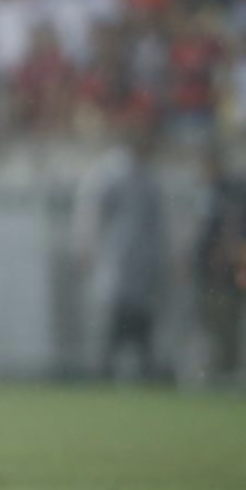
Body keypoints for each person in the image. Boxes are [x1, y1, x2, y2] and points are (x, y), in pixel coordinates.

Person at [73, 127, 170, 382]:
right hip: (114, 258)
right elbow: (90, 212)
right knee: (112, 318)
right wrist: (85, 246)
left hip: (143, 263)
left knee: (142, 320)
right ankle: (102, 372)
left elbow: (157, 222)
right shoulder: (110, 173)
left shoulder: (149, 177)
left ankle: (146, 372)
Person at [193, 146, 246, 387]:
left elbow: (230, 226)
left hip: (223, 271)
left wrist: (227, 253)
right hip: (207, 271)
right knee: (212, 321)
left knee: (225, 320)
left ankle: (227, 372)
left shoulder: (228, 191)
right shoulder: (209, 191)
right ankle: (217, 370)